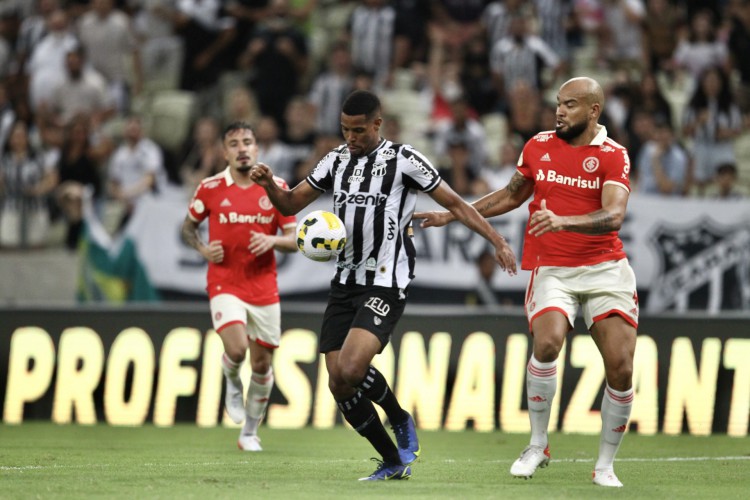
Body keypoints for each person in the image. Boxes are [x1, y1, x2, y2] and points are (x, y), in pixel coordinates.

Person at [249, 89, 516, 481]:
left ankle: (398, 416)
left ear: (378, 124)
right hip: (344, 281)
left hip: (386, 281)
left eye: (358, 130)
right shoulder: (335, 160)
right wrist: (269, 184)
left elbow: (457, 203)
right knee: (338, 383)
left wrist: (497, 240)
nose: (350, 138)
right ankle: (392, 461)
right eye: (344, 130)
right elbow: (289, 204)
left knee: (352, 368)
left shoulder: (405, 160)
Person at [414, 77, 638, 488]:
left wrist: (564, 220)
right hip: (553, 266)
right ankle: (537, 444)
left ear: (593, 110)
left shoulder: (613, 155)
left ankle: (605, 465)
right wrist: (453, 214)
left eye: (570, 104)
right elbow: (511, 195)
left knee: (621, 369)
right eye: (558, 103)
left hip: (605, 269)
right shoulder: (538, 146)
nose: (559, 111)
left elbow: (614, 216)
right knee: (547, 343)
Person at [181, 121, 297, 451]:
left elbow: (295, 240)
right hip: (224, 282)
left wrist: (272, 240)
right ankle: (233, 381)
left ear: (257, 149)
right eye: (234, 143)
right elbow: (187, 228)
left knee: (262, 366)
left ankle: (249, 433)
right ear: (224, 151)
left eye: (247, 142)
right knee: (236, 350)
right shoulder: (210, 187)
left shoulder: (276, 187)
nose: (242, 148)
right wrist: (203, 249)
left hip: (263, 287)